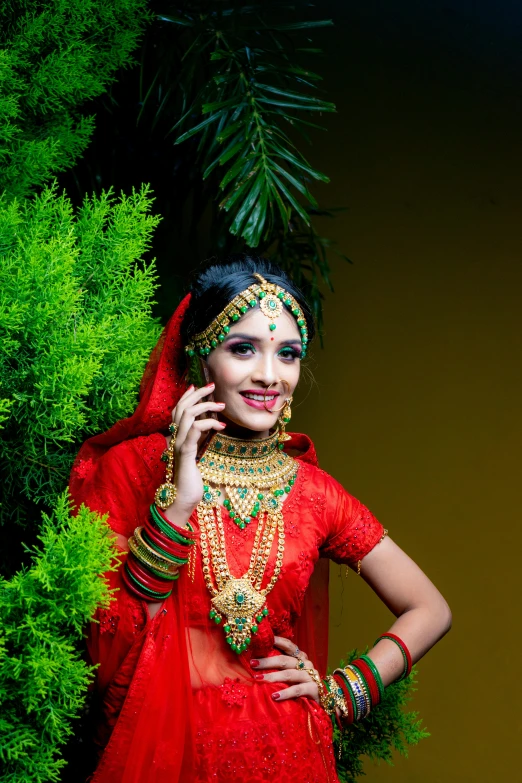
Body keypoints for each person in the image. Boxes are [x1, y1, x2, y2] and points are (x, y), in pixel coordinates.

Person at [70, 255, 452, 783]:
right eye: (243, 348)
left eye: (288, 354)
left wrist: (343, 692)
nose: (269, 376)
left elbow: (429, 607)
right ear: (201, 356)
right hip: (162, 754)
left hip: (285, 753)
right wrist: (178, 501)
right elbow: (105, 650)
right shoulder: (130, 469)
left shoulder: (316, 494)